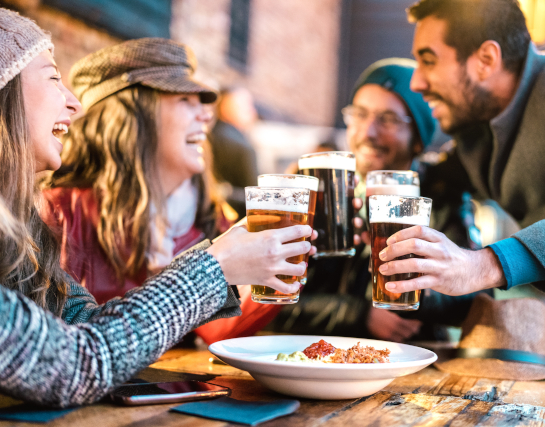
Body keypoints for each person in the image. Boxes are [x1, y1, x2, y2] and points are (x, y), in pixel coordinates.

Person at [0, 8, 312, 407]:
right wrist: (214, 266)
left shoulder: (23, 228)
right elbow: (77, 363)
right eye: (53, 76)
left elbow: (96, 330)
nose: (73, 105)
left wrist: (246, 267)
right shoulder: (58, 214)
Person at [376, 0, 545, 424]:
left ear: (486, 59)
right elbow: (436, 179)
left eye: (428, 60)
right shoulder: (479, 126)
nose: (418, 82)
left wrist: (482, 264)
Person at [39, 38, 281, 344]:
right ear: (133, 118)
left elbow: (213, 330)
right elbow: (65, 349)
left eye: (202, 103)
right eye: (185, 101)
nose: (207, 115)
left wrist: (283, 262)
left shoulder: (207, 212)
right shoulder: (59, 215)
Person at [266, 59, 483, 343]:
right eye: (360, 114)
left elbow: (475, 299)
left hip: (409, 369)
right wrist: (357, 315)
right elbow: (265, 299)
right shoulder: (317, 189)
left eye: (389, 119)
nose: (368, 131)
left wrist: (413, 295)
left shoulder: (440, 195)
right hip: (313, 361)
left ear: (418, 139)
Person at [209, 87, 259, 217]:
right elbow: (255, 197)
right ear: (226, 107)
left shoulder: (208, 136)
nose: (253, 112)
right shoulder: (242, 147)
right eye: (247, 106)